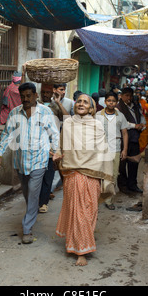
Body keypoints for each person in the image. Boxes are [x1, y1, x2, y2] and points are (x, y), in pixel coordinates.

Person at [0, 82, 59, 244]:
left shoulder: (46, 112)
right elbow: (7, 134)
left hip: (39, 161)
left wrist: (57, 152)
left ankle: (27, 229)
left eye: (29, 96)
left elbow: (54, 135)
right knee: (28, 194)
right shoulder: (15, 113)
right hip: (20, 162)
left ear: (36, 95)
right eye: (22, 96)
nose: (25, 99)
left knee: (32, 192)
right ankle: (32, 210)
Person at [53, 94, 114, 266]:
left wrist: (104, 173)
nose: (81, 103)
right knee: (78, 212)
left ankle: (82, 240)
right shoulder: (69, 124)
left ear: (91, 108)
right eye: (78, 101)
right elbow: (61, 145)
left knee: (89, 211)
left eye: (85, 102)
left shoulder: (96, 125)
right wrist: (57, 155)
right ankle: (81, 250)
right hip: (74, 173)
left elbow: (103, 151)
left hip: (92, 174)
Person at [37, 83, 68, 213]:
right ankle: (36, 200)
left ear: (52, 94)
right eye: (43, 92)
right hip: (37, 147)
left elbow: (67, 119)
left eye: (48, 92)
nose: (45, 94)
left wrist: (58, 102)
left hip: (51, 147)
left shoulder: (55, 106)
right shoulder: (35, 105)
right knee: (36, 176)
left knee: (48, 176)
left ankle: (43, 203)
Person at [96, 91, 129, 210]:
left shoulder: (120, 115)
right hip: (101, 149)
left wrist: (124, 150)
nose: (111, 103)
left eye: (113, 101)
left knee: (113, 175)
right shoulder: (98, 115)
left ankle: (108, 200)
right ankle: (98, 196)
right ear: (105, 102)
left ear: (116, 102)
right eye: (109, 101)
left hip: (115, 148)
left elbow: (125, 133)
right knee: (101, 174)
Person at [116, 87, 145, 194]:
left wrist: (142, 125)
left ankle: (132, 184)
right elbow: (121, 123)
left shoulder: (136, 106)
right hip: (123, 139)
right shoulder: (118, 108)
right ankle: (123, 186)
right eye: (126, 95)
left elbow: (141, 117)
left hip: (134, 138)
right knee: (122, 164)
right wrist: (135, 125)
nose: (129, 98)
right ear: (122, 96)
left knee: (134, 163)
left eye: (130, 96)